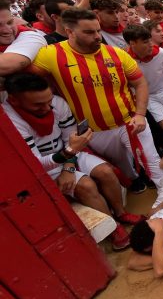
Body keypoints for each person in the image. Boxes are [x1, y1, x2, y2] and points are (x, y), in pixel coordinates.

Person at [3, 73, 143, 250]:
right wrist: (69, 153)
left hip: (67, 154)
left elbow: (71, 139)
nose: (47, 108)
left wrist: (68, 167)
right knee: (86, 186)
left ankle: (121, 213)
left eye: (48, 101)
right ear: (15, 101)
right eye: (38, 105)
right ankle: (113, 228)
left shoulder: (56, 103)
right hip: (44, 168)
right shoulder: (10, 121)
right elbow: (35, 163)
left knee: (106, 171)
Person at [31, 8, 163, 193]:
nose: (97, 37)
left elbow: (140, 82)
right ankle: (135, 179)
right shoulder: (50, 55)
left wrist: (141, 114)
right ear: (70, 32)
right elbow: (26, 82)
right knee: (122, 163)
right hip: (95, 131)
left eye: (98, 30)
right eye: (89, 32)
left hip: (129, 121)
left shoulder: (116, 53)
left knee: (151, 159)